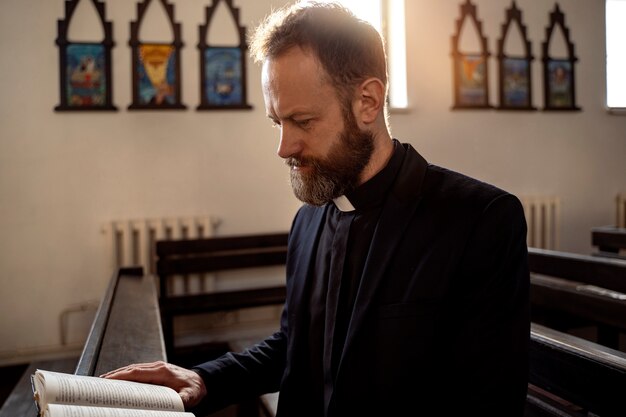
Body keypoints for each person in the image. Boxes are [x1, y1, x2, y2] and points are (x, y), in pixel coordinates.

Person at [102, 2, 530, 416]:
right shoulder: (309, 219)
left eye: (303, 122)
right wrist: (207, 380)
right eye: (277, 122)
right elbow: (298, 343)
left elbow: (488, 402)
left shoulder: (479, 220)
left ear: (367, 101)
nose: (284, 147)